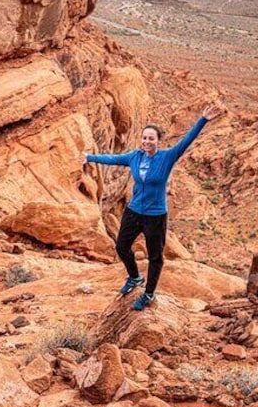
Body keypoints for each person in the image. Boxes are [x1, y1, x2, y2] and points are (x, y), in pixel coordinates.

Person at [84, 104, 224, 310]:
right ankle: (134, 278)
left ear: (158, 141)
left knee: (155, 257)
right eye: (145, 137)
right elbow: (112, 159)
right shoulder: (134, 156)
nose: (147, 141)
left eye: (151, 138)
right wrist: (89, 157)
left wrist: (203, 120)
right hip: (133, 212)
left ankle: (149, 294)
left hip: (155, 216)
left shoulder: (167, 157)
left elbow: (187, 141)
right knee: (122, 247)